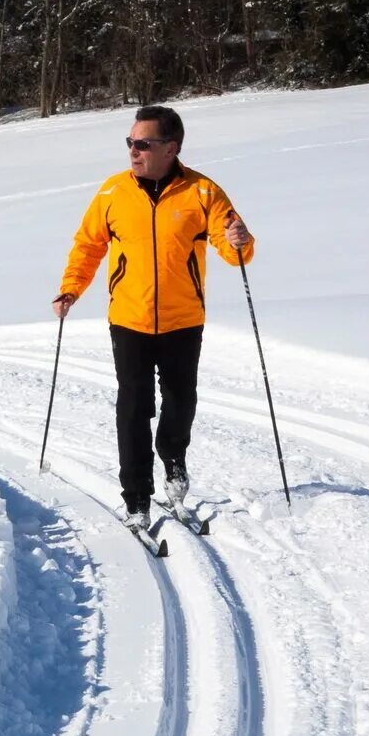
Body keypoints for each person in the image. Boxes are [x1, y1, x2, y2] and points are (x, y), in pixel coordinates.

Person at [52, 105, 253, 531]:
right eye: (130, 142)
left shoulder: (203, 192)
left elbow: (232, 244)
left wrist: (240, 239)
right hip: (129, 319)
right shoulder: (112, 193)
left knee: (181, 404)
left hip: (184, 319)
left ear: (171, 148)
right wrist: (71, 288)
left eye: (143, 143)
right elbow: (88, 246)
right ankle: (137, 497)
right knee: (133, 407)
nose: (133, 151)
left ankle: (174, 462)